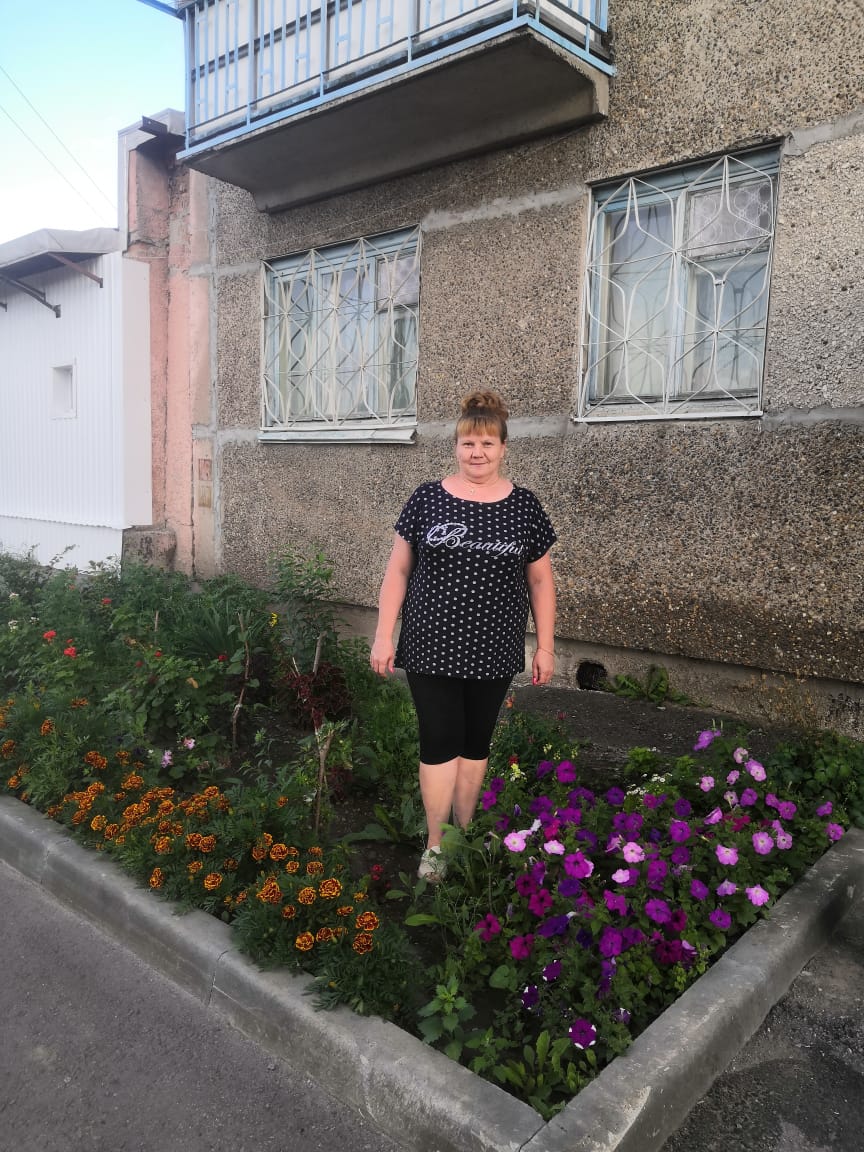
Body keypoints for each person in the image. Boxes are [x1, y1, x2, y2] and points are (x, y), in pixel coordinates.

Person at [370, 390, 557, 880]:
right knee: (439, 741)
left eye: (487, 444)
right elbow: (398, 571)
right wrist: (384, 635)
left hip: (494, 646)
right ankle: (436, 845)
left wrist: (545, 646)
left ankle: (466, 832)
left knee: (475, 744)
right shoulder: (427, 499)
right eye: (468, 443)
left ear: (503, 448)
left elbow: (541, 581)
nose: (477, 453)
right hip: (431, 642)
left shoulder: (524, 506)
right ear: (455, 446)